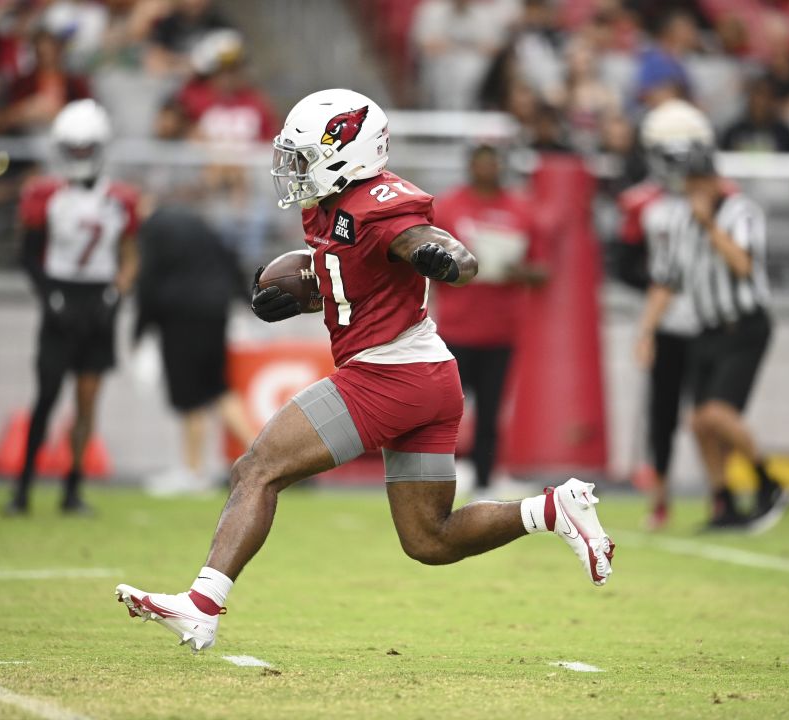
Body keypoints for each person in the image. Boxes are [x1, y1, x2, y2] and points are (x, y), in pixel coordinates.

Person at [115, 89, 615, 653]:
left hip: (388, 376)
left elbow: (445, 251)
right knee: (429, 538)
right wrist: (308, 294)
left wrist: (445, 258)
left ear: (344, 151)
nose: (295, 170)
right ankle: (551, 508)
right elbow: (355, 274)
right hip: (426, 376)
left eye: (302, 156)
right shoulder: (327, 204)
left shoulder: (380, 204)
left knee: (257, 468)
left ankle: (201, 606)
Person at [633, 140, 789, 532]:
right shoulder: (681, 222)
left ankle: (769, 482)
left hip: (745, 325)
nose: (693, 189)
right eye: (689, 181)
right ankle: (724, 502)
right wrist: (647, 331)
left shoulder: (742, 213)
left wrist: (708, 224)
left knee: (718, 414)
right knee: (699, 422)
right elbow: (666, 281)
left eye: (700, 180)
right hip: (707, 329)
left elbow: (742, 265)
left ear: (715, 180)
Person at [6, 100, 140, 516]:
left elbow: (130, 255)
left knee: (87, 401)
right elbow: (27, 254)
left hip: (98, 298)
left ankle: (72, 488)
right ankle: (23, 488)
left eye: (86, 148)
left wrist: (117, 292)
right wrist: (48, 293)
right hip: (59, 295)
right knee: (46, 397)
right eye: (74, 148)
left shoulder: (121, 198)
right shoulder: (45, 194)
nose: (80, 156)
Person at [432, 145, 545, 494]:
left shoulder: (521, 209)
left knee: (491, 413)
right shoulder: (448, 207)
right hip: (456, 326)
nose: (486, 169)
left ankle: (484, 479)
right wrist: (460, 267)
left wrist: (517, 269)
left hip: (501, 328)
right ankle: (436, 478)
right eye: (480, 163)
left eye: (492, 163)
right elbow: (425, 261)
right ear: (470, 166)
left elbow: (543, 271)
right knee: (443, 411)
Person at [627, 100, 718, 530]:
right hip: (666, 324)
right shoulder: (645, 205)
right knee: (661, 417)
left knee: (709, 414)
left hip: (709, 322)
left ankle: (721, 496)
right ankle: (660, 500)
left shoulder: (721, 199)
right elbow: (627, 262)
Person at [133, 206, 256, 492]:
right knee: (217, 389)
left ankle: (193, 471)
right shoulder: (200, 223)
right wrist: (245, 299)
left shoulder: (155, 230)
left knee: (190, 396)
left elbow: (149, 278)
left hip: (179, 316)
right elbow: (229, 258)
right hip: (215, 311)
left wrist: (140, 330)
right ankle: (265, 455)